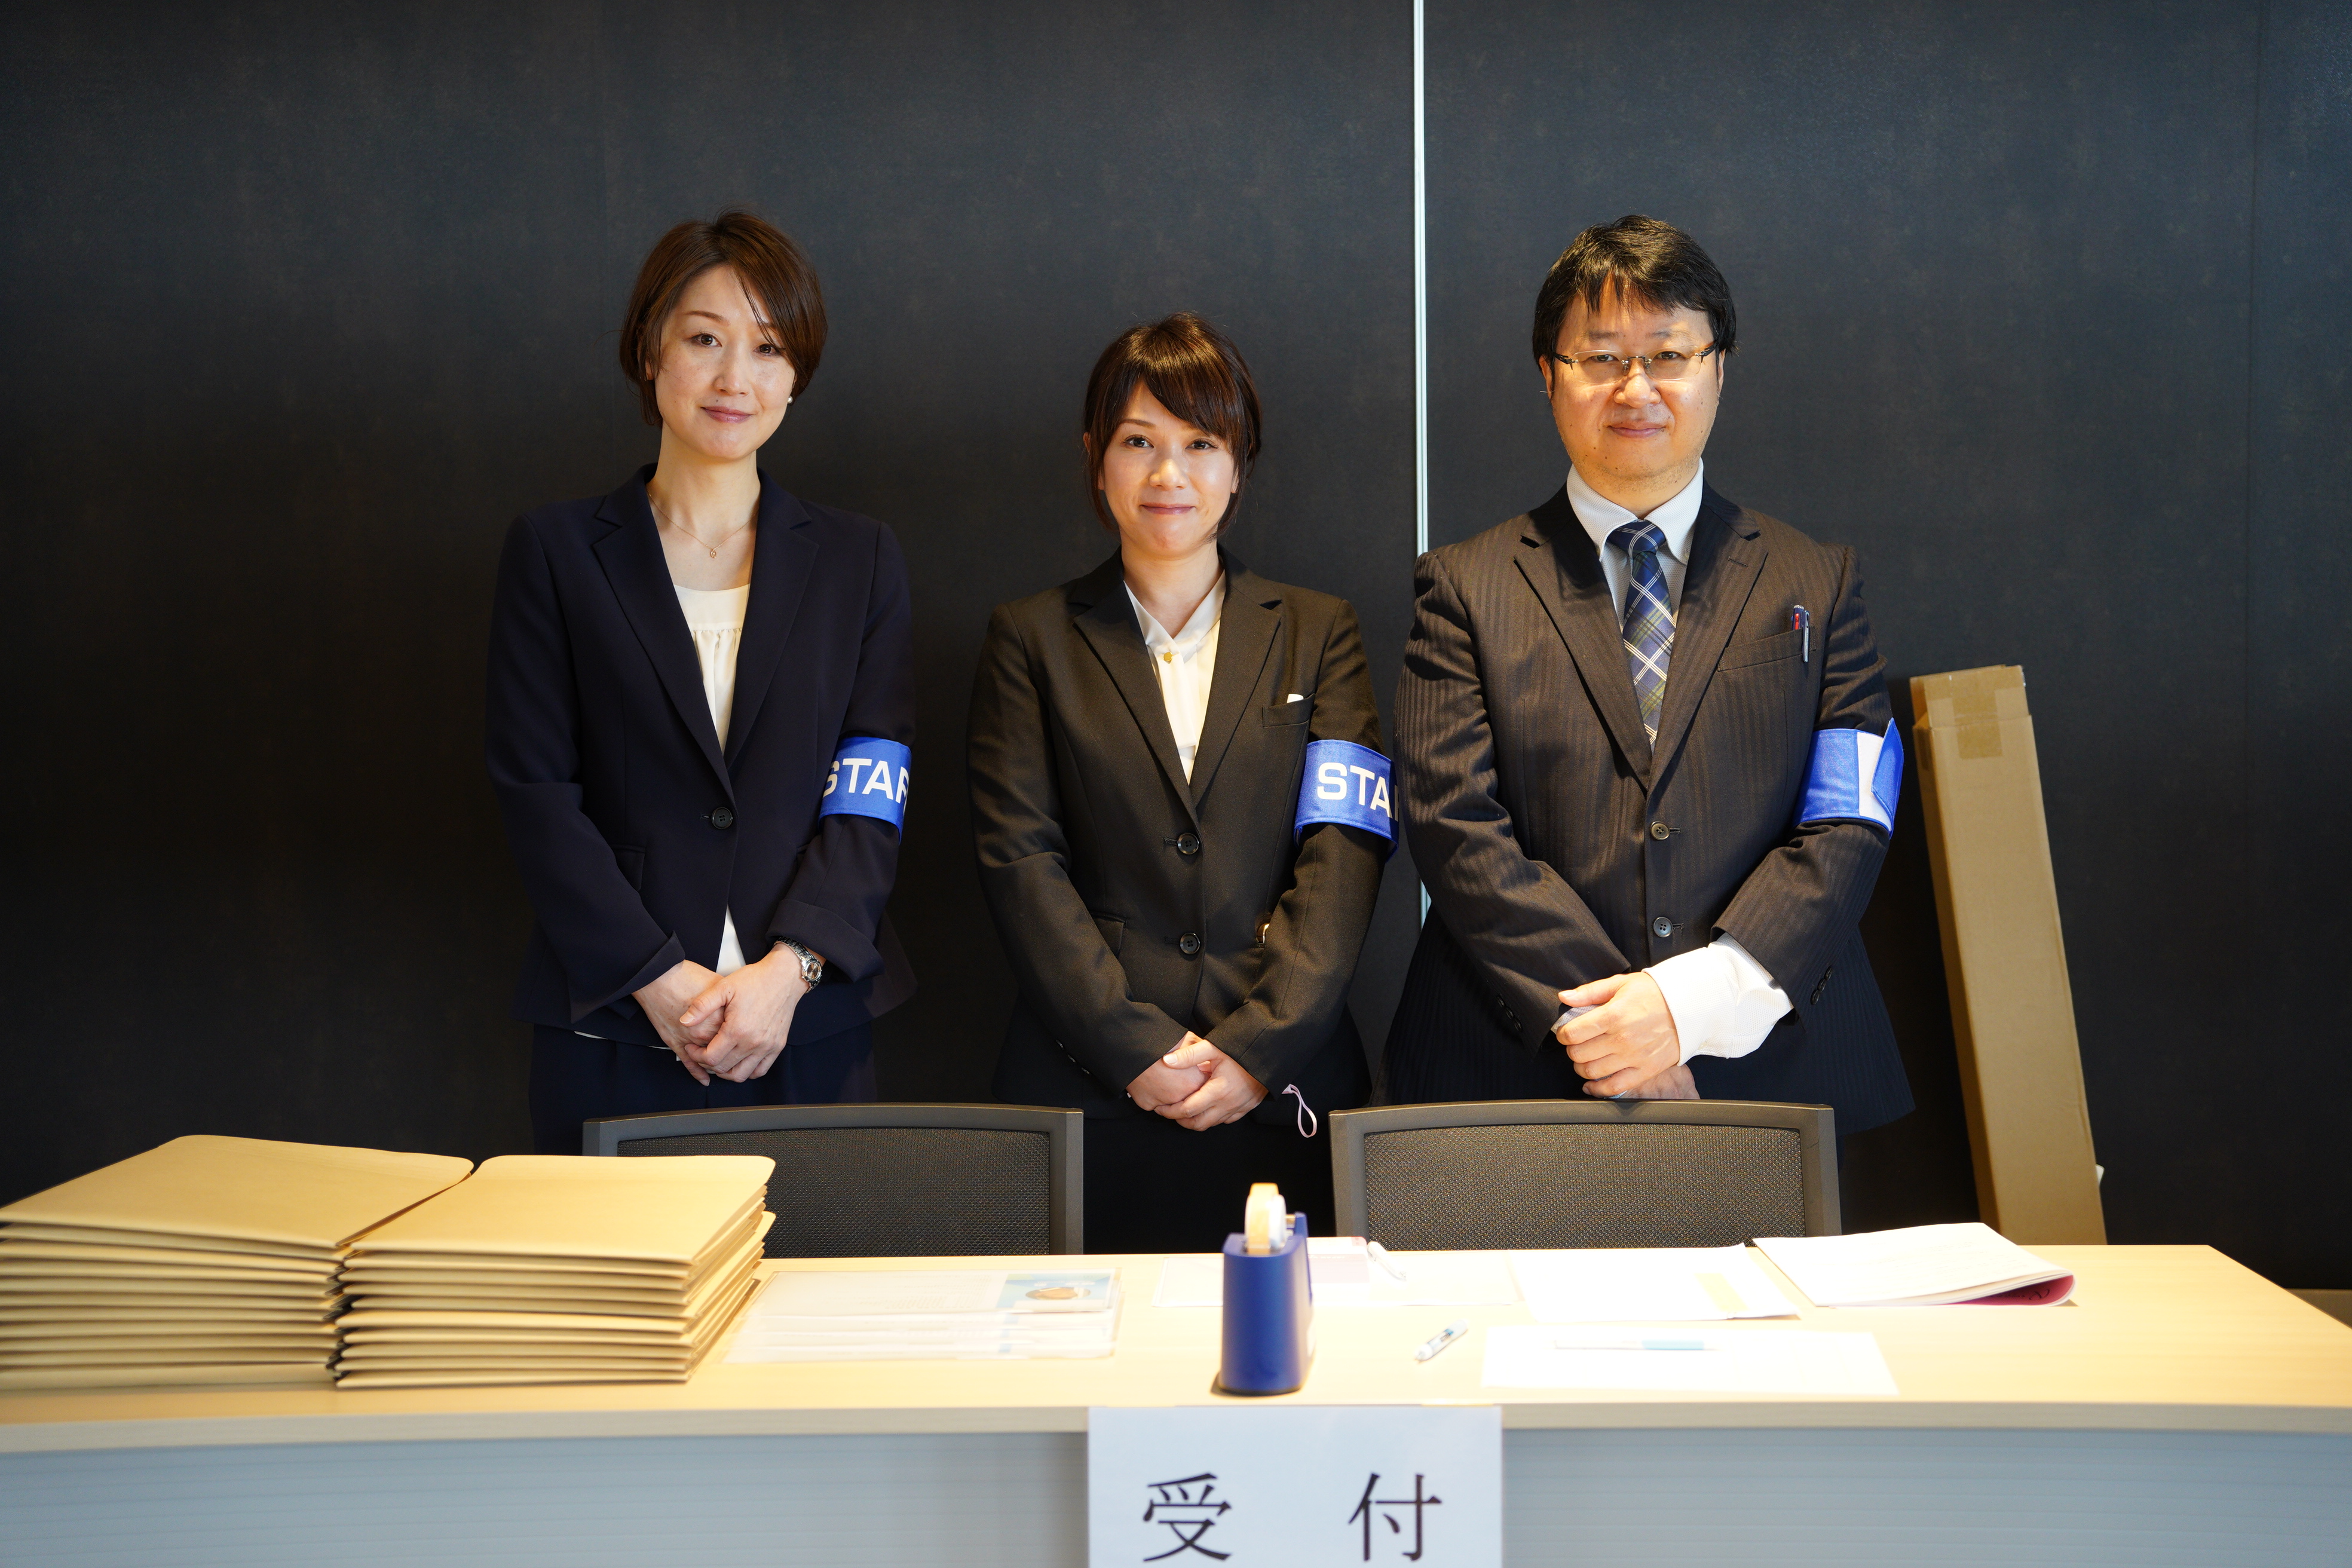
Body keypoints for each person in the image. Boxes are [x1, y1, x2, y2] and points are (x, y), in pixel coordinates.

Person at [1385, 215, 1912, 1136]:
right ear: (1549, 374)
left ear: (1719, 368)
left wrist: (1690, 1009)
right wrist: (1616, 1029)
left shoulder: (1815, 582)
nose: (1636, 388)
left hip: (1768, 1061)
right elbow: (1452, 820)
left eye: (1669, 354)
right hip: (1521, 1068)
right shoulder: (1464, 587)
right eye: (1601, 358)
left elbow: (1849, 816)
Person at [488, 209, 914, 1154]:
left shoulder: (860, 560)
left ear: (796, 375)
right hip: (612, 1024)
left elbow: (871, 788)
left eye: (768, 349)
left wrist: (792, 970)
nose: (735, 379)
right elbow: (536, 794)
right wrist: (656, 979)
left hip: (805, 1029)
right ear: (651, 351)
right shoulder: (556, 553)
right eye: (704, 340)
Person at [969, 314, 1389, 1251]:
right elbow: (1021, 861)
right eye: (1138, 443)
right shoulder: (1031, 639)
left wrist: (1256, 1047)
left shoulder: (1318, 632)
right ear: (1096, 459)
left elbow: (1344, 852)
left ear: (1239, 465)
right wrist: (1135, 1048)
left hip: (1282, 1091)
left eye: (1201, 444)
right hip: (1090, 1089)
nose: (1170, 474)